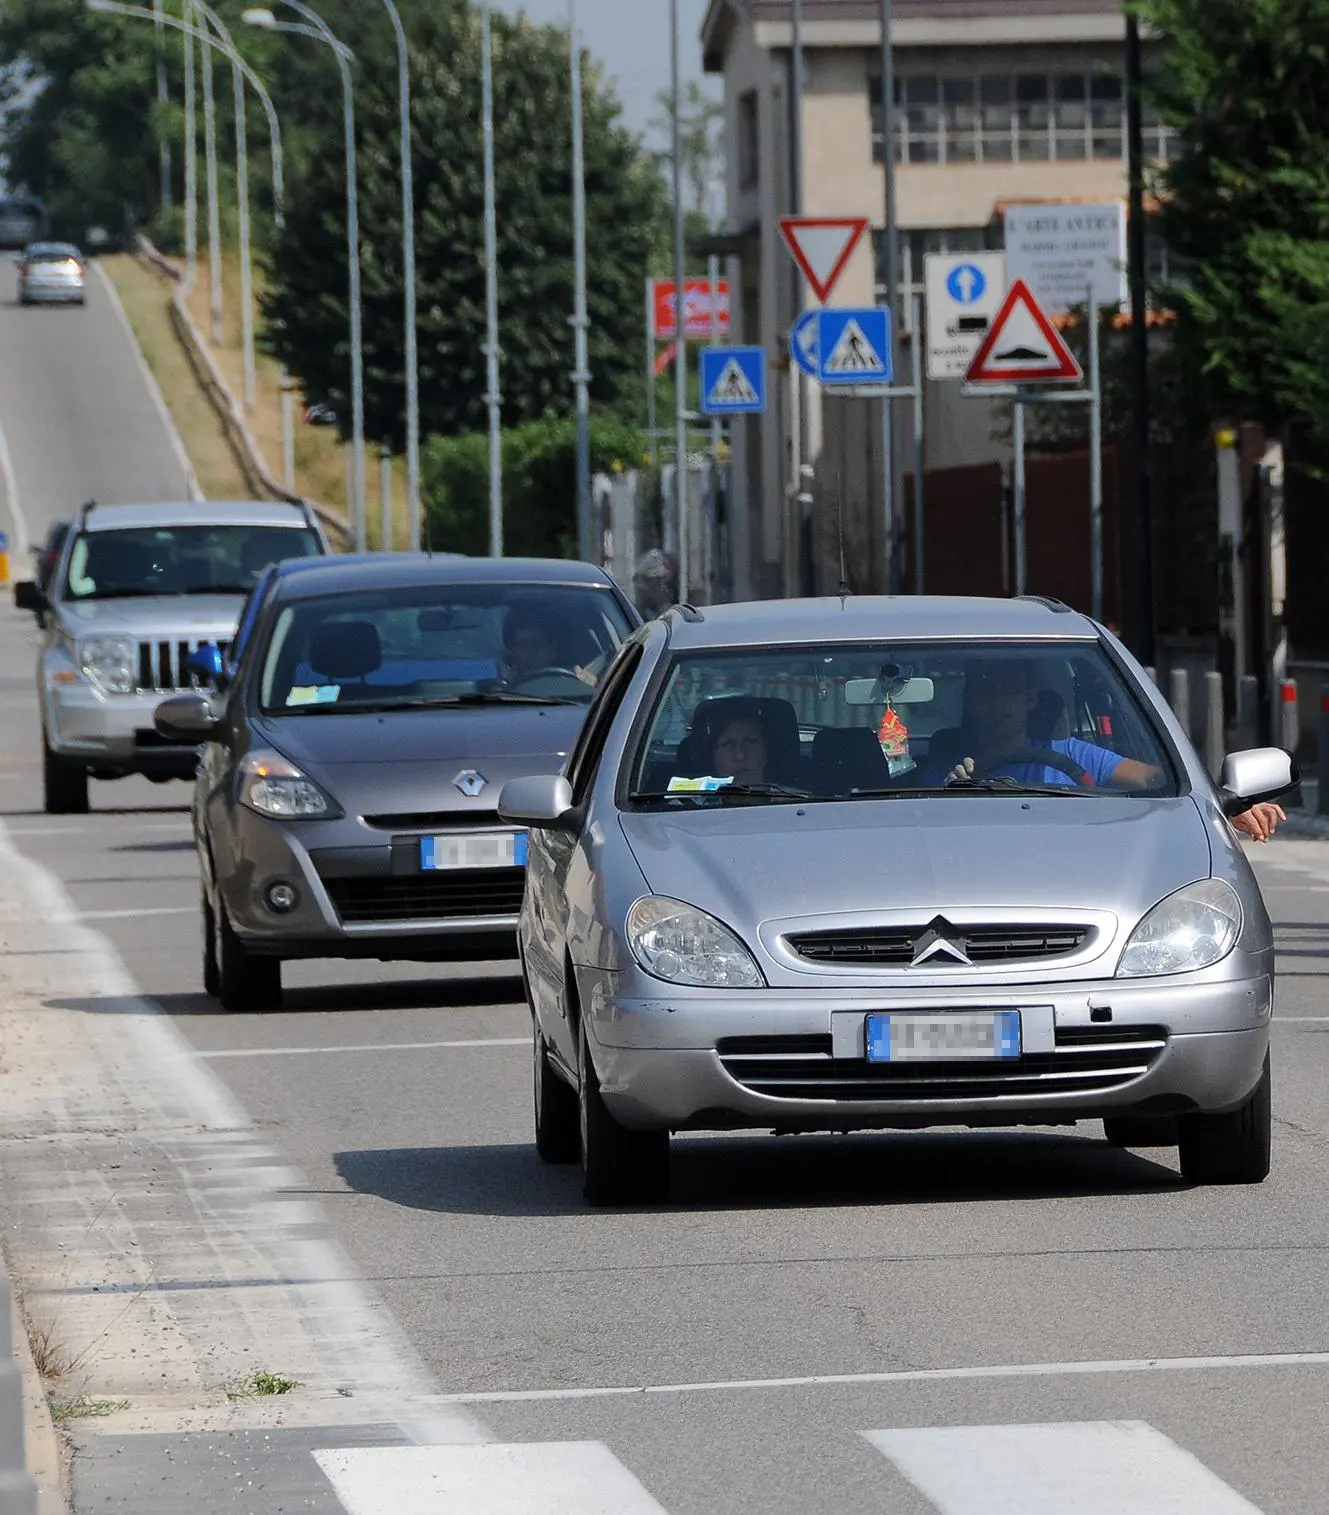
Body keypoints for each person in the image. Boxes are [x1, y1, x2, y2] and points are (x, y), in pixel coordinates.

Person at [939, 659, 1284, 843]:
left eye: (1010, 689)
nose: (1000, 702)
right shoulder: (943, 772)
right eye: (987, 691)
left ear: (1030, 699)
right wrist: (949, 788)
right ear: (969, 703)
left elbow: (1159, 777)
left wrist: (1224, 800)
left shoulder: (1075, 755)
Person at [501, 607, 597, 686]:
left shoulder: (577, 680)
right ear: (513, 650)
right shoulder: (502, 688)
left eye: (536, 644)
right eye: (522, 645)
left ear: (552, 648)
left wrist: (593, 685)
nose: (531, 652)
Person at [709, 713, 767, 786]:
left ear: (765, 751)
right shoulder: (693, 796)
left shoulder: (785, 795)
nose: (740, 755)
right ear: (714, 755)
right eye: (728, 744)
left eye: (750, 741)